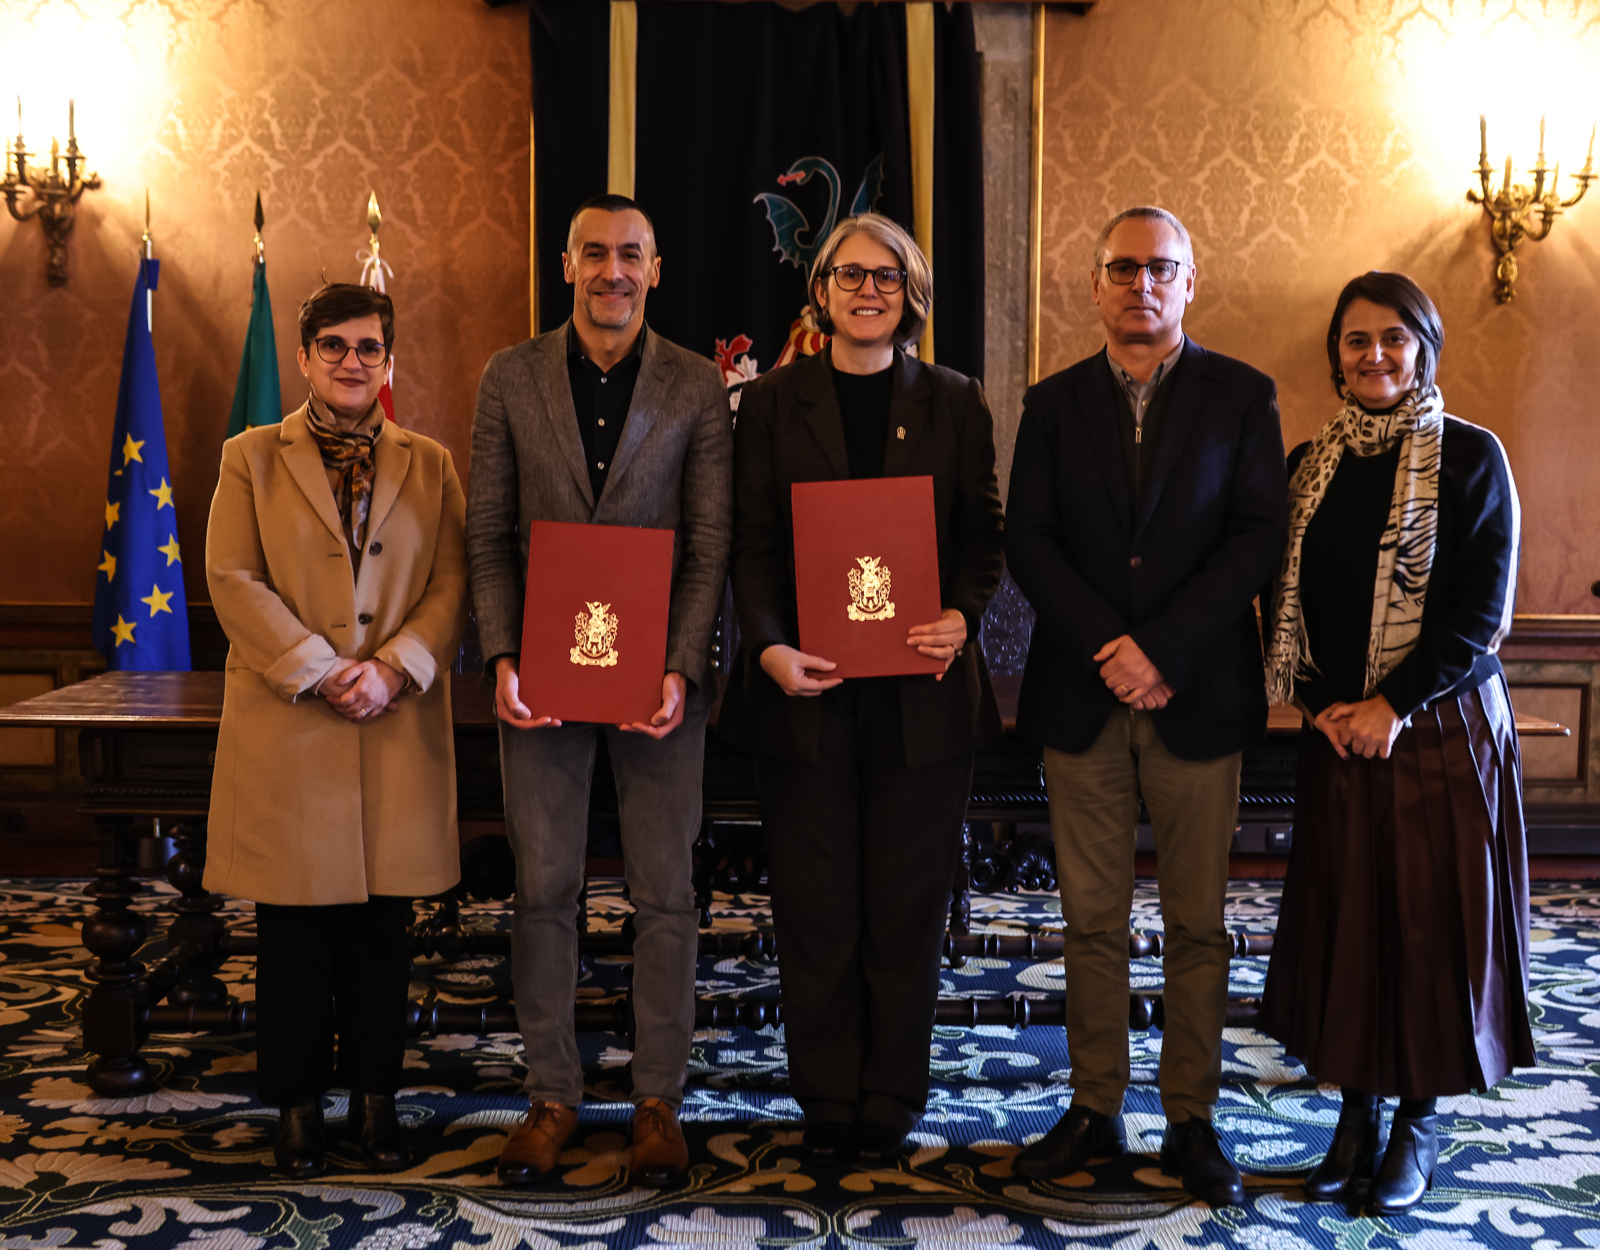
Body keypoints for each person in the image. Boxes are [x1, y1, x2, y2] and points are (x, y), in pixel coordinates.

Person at [1004, 206, 1287, 1204]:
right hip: (1080, 696)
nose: (1141, 284)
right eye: (1122, 267)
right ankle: (1094, 1104)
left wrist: (1159, 648)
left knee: (1197, 919)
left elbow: (1255, 536)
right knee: (1090, 918)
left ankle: (1191, 1115)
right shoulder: (1050, 402)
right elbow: (1028, 540)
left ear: (1189, 281)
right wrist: (1107, 648)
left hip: (1196, 690)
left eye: (1159, 268)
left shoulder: (1242, 396)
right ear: (1093, 283)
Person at [718, 212, 1005, 1164]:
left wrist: (963, 614)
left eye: (886, 277)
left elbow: (981, 537)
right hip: (806, 690)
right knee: (817, 902)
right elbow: (751, 544)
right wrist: (765, 647)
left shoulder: (956, 401)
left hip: (920, 694)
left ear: (911, 292)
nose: (868, 290)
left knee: (905, 904)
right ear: (823, 290)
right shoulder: (770, 403)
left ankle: (890, 1094)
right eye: (850, 275)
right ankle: (827, 1095)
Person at [466, 194, 732, 1188]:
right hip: (540, 676)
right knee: (543, 890)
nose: (612, 270)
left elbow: (708, 543)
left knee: (667, 893)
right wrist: (501, 656)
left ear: (654, 269)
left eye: (631, 253)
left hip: (657, 684)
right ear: (565, 264)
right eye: (594, 253)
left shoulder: (697, 384)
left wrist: (680, 666)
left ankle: (657, 1097)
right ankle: (553, 1094)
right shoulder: (509, 375)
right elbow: (489, 534)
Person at [1258, 272, 1532, 1216]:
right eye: (1354, 340)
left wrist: (1392, 704)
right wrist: (1330, 704)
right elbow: (1284, 601)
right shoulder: (1310, 462)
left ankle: (1419, 1122)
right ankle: (1356, 1116)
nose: (1373, 356)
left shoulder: (1469, 456)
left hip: (1440, 730)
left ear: (1425, 348)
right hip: (1337, 733)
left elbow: (1480, 613)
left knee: (1426, 927)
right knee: (1350, 921)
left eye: (1393, 339)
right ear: (1334, 354)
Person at [204, 283, 468, 1178]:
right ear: (308, 356)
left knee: (381, 935)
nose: (353, 361)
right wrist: (324, 669)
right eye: (335, 347)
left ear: (390, 360)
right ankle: (297, 1110)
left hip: (396, 718)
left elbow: (452, 583)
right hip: (293, 723)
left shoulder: (430, 463)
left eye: (370, 347)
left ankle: (376, 1100)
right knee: (293, 938)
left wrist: (393, 666)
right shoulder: (250, 456)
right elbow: (232, 576)